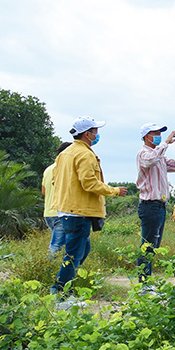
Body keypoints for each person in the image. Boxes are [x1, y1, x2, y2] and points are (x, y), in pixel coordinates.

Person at [51, 117, 127, 307]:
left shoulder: (65, 153)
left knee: (82, 250)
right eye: (95, 131)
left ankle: (62, 289)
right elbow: (89, 183)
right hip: (79, 212)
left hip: (67, 210)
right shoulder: (85, 155)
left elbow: (55, 180)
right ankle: (61, 295)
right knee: (74, 254)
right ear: (87, 134)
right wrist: (115, 191)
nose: (96, 134)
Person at [136, 123, 175, 282]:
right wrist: (166, 142)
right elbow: (150, 160)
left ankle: (147, 281)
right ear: (146, 136)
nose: (158, 136)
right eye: (155, 133)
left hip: (160, 206)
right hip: (149, 205)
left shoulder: (160, 157)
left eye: (159, 133)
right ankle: (144, 283)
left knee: (154, 245)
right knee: (147, 246)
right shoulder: (144, 153)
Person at [41, 141, 72, 256]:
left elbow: (44, 191)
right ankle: (46, 269)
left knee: (63, 245)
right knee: (56, 247)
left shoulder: (48, 169)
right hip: (60, 213)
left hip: (48, 213)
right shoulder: (66, 168)